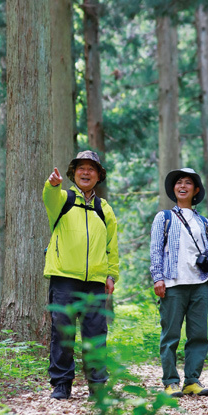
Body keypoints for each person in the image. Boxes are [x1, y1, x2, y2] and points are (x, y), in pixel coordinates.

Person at [43, 150, 119, 400]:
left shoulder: (103, 209)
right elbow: (49, 196)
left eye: (91, 169)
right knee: (62, 332)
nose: (86, 172)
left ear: (98, 176)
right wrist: (52, 185)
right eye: (81, 168)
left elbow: (112, 246)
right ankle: (61, 384)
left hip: (95, 283)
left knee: (96, 334)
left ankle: (97, 385)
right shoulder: (62, 200)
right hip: (64, 278)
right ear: (74, 174)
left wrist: (111, 275)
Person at [150, 168, 208, 398]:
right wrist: (158, 278)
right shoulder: (164, 218)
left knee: (198, 334)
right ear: (174, 189)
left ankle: (192, 380)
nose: (183, 186)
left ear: (195, 190)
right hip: (172, 284)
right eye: (179, 182)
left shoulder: (204, 222)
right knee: (171, 335)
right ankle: (170, 381)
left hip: (199, 283)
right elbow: (156, 250)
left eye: (188, 182)